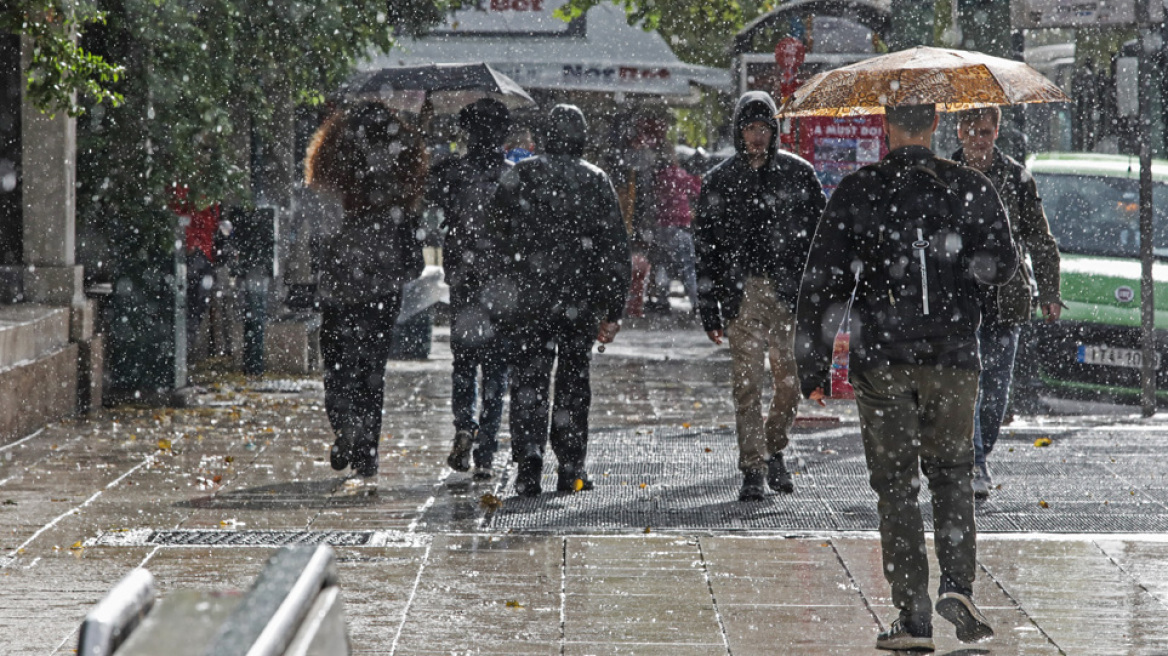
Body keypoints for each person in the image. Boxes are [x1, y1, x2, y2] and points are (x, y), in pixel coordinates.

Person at [796, 103, 1018, 651]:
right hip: (953, 357)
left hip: (883, 358)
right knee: (952, 473)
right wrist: (964, 273)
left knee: (895, 485)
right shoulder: (969, 185)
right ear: (938, 125)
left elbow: (823, 280)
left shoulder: (859, 189)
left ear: (886, 127)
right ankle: (959, 585)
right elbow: (1005, 263)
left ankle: (913, 617)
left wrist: (814, 366)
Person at [487, 104, 630, 497]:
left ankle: (529, 465)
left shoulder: (521, 175)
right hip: (578, 301)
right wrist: (612, 308)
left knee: (529, 381)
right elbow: (613, 251)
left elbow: (496, 241)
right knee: (573, 382)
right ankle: (571, 467)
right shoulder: (595, 180)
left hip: (529, 299)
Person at [693, 90, 826, 502]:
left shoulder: (798, 175)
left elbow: (819, 241)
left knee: (789, 382)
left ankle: (773, 448)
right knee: (746, 384)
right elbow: (705, 248)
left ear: (774, 131)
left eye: (764, 128)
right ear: (739, 131)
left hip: (787, 293)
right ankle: (753, 465)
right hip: (741, 293)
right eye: (750, 128)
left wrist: (816, 296)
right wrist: (709, 307)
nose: (757, 137)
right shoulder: (719, 181)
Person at [304, 102, 427, 483]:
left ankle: (343, 423)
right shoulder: (401, 172)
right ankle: (367, 452)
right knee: (372, 370)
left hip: (339, 287)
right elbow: (413, 250)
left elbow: (317, 234)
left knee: (337, 364)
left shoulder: (331, 169)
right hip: (382, 287)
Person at [952, 106, 1062, 499]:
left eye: (985, 131)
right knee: (970, 388)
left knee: (995, 394)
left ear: (996, 131)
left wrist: (1050, 292)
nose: (978, 139)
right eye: (971, 130)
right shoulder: (947, 174)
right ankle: (975, 461)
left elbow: (1041, 238)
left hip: (1006, 299)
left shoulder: (1016, 177)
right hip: (961, 300)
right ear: (959, 131)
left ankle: (980, 452)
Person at [428, 99, 513, 481]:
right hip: (500, 283)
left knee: (464, 361)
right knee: (496, 368)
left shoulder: (452, 173)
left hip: (463, 277)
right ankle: (486, 453)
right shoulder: (513, 176)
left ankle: (465, 424)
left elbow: (430, 201)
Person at [649, 148, 701, 311]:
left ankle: (663, 301)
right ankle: (696, 303)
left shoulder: (658, 178)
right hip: (680, 226)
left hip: (662, 227)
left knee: (663, 264)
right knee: (688, 266)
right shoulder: (680, 175)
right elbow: (697, 191)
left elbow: (654, 198)